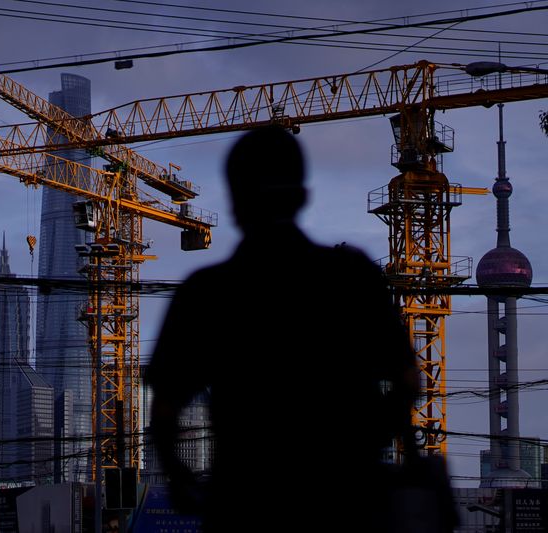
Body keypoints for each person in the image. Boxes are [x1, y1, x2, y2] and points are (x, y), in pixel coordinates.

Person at [146, 126, 421, 532]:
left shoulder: (207, 294)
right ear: (302, 195)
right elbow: (408, 381)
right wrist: (357, 451)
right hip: (346, 506)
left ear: (236, 202)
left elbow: (166, 410)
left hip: (245, 505)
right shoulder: (352, 277)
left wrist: (184, 480)